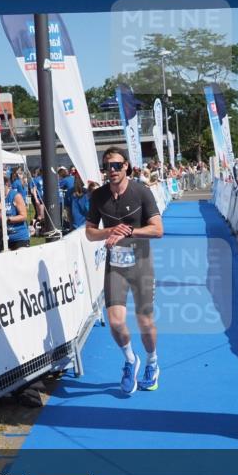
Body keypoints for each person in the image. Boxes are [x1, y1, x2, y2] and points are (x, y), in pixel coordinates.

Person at [85, 146, 164, 394]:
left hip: (140, 263)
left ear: (126, 166)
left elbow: (157, 230)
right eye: (108, 167)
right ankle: (130, 360)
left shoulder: (141, 192)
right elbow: (89, 233)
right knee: (115, 322)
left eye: (117, 165)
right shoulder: (98, 196)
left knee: (145, 321)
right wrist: (110, 231)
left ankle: (152, 362)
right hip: (115, 265)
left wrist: (130, 231)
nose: (113, 171)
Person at [2, 176, 31, 250]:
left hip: (20, 237)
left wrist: (8, 219)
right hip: (5, 238)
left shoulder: (15, 196)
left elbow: (24, 216)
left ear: (6, 184)